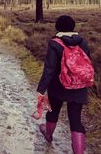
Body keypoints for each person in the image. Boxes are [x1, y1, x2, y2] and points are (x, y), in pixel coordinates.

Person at [36, 15, 92, 154]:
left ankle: (48, 134)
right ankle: (78, 152)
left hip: (58, 86)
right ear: (73, 27)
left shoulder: (54, 43)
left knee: (53, 111)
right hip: (79, 86)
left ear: (58, 27)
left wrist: (41, 89)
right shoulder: (82, 42)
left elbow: (49, 69)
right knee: (75, 119)